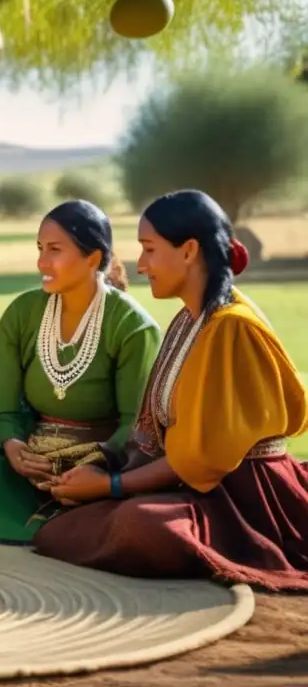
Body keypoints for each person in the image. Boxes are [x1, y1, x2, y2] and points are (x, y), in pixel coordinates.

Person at [33, 190, 308, 590]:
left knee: (138, 525)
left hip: (244, 497)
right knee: (74, 524)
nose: (140, 266)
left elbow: (196, 459)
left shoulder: (231, 326)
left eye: (149, 249)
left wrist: (110, 486)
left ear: (189, 250)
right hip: (196, 485)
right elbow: (154, 434)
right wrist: (102, 472)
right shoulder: (187, 320)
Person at [0, 200, 162, 543]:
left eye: (55, 250)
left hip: (99, 468)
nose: (42, 262)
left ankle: (67, 524)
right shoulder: (22, 313)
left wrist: (93, 469)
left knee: (134, 516)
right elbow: (5, 406)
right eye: (40, 249)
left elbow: (136, 425)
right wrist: (13, 445)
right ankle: (59, 531)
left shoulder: (132, 326)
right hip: (29, 465)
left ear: (94, 258)